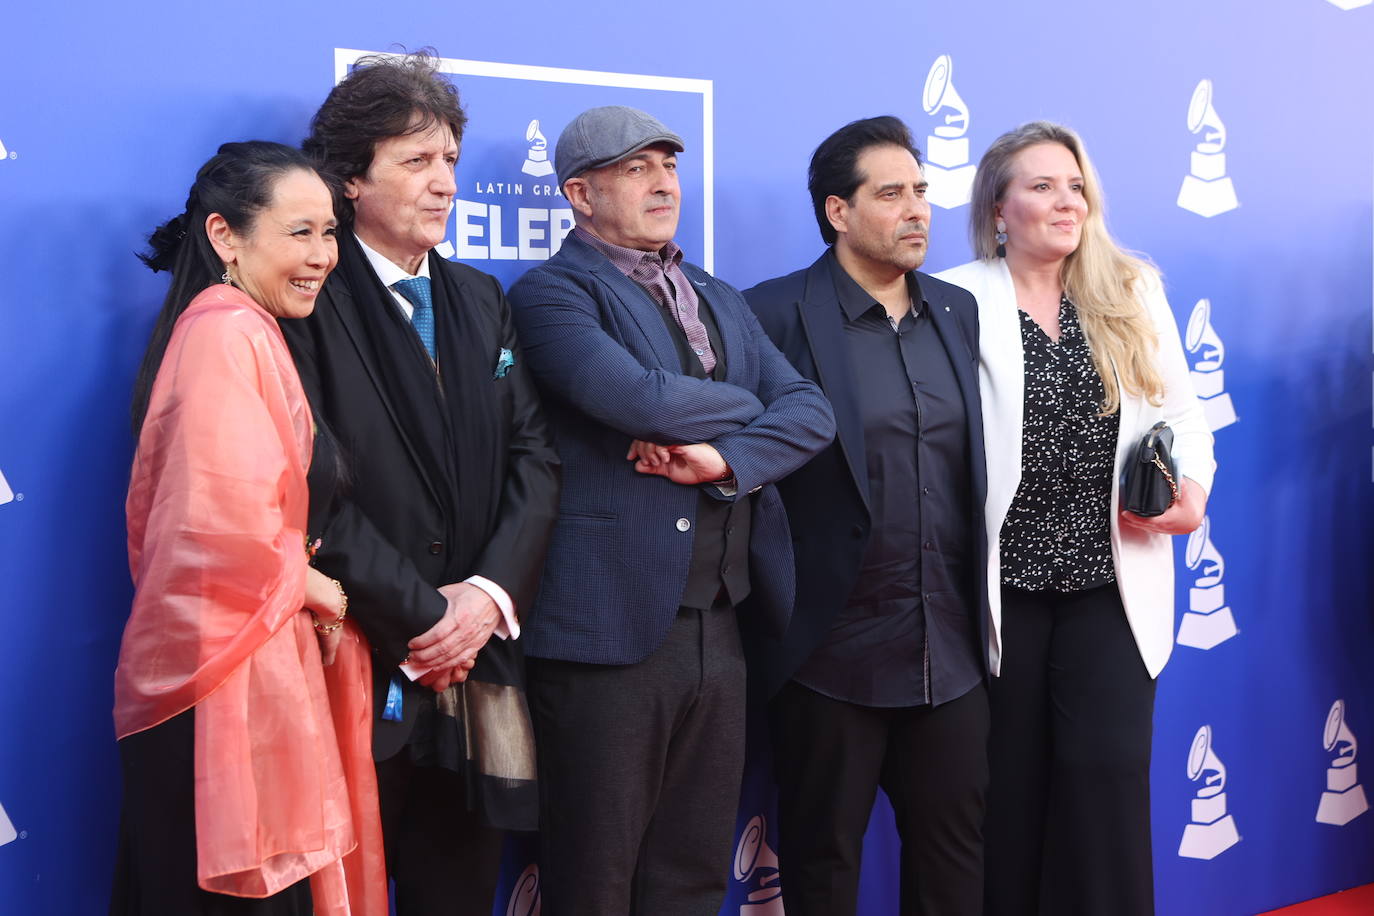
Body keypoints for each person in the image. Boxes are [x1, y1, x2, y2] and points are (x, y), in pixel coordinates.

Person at [506, 105, 835, 916]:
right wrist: (752, 404)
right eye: (636, 168)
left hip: (720, 626)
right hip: (604, 632)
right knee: (594, 873)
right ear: (580, 194)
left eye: (669, 166)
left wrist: (727, 457)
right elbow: (637, 399)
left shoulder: (717, 294)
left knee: (689, 873)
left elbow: (813, 413)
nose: (663, 183)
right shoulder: (549, 295)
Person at [278, 53, 561, 916]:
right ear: (350, 181)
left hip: (478, 657)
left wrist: (483, 600)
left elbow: (535, 458)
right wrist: (423, 617)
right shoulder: (306, 299)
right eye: (415, 162)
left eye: (448, 162)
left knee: (459, 888)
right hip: (357, 656)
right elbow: (311, 484)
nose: (443, 185)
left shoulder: (481, 295)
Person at [935, 121, 1215, 916]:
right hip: (1000, 596)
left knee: (1108, 796)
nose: (1067, 201)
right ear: (998, 207)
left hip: (1111, 588)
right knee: (1007, 802)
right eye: (1042, 186)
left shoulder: (1130, 289)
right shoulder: (956, 297)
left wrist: (1191, 487)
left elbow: (1185, 416)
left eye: (1076, 185)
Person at [112, 140, 385, 915]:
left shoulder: (244, 328)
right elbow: (216, 523)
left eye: (330, 232)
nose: (324, 255)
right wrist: (316, 587)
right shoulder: (224, 331)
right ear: (226, 236)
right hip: (219, 697)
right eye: (300, 232)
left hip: (245, 681)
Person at [744, 116, 989, 916]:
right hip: (826, 655)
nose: (918, 208)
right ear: (837, 212)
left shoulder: (957, 311)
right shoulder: (771, 315)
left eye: (921, 190)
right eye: (892, 193)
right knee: (822, 867)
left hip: (947, 652)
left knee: (953, 869)